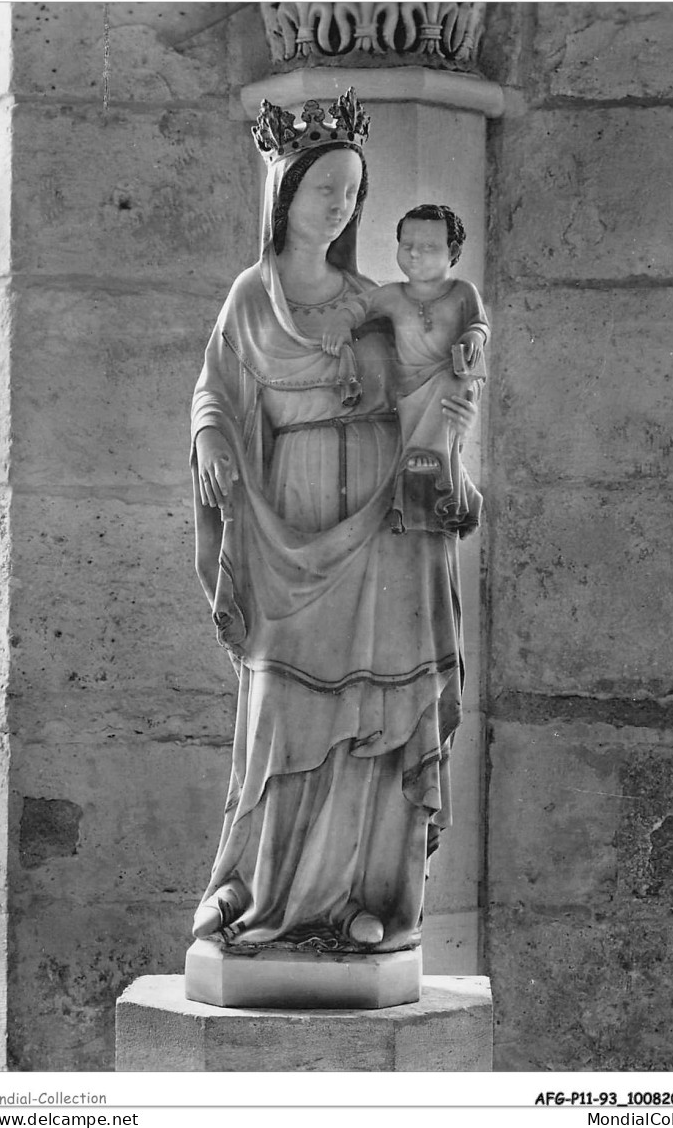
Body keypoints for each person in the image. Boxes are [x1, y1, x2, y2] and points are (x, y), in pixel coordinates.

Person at [190, 89, 482, 954]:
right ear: (288, 194)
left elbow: (420, 396)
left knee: (378, 709)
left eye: (353, 193)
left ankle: (365, 898)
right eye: (326, 190)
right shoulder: (254, 294)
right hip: (289, 519)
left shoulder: (373, 300)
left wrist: (455, 407)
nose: (342, 207)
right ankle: (264, 889)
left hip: (382, 530)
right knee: (283, 706)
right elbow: (218, 386)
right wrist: (210, 435)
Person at [321, 203, 490, 534]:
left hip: (450, 377)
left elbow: (479, 325)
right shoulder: (393, 295)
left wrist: (473, 336)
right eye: (407, 245)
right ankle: (442, 491)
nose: (415, 254)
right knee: (424, 438)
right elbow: (359, 307)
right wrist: (342, 322)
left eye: (428, 247)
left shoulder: (462, 292)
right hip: (410, 390)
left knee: (451, 388)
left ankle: (438, 478)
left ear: (452, 250)